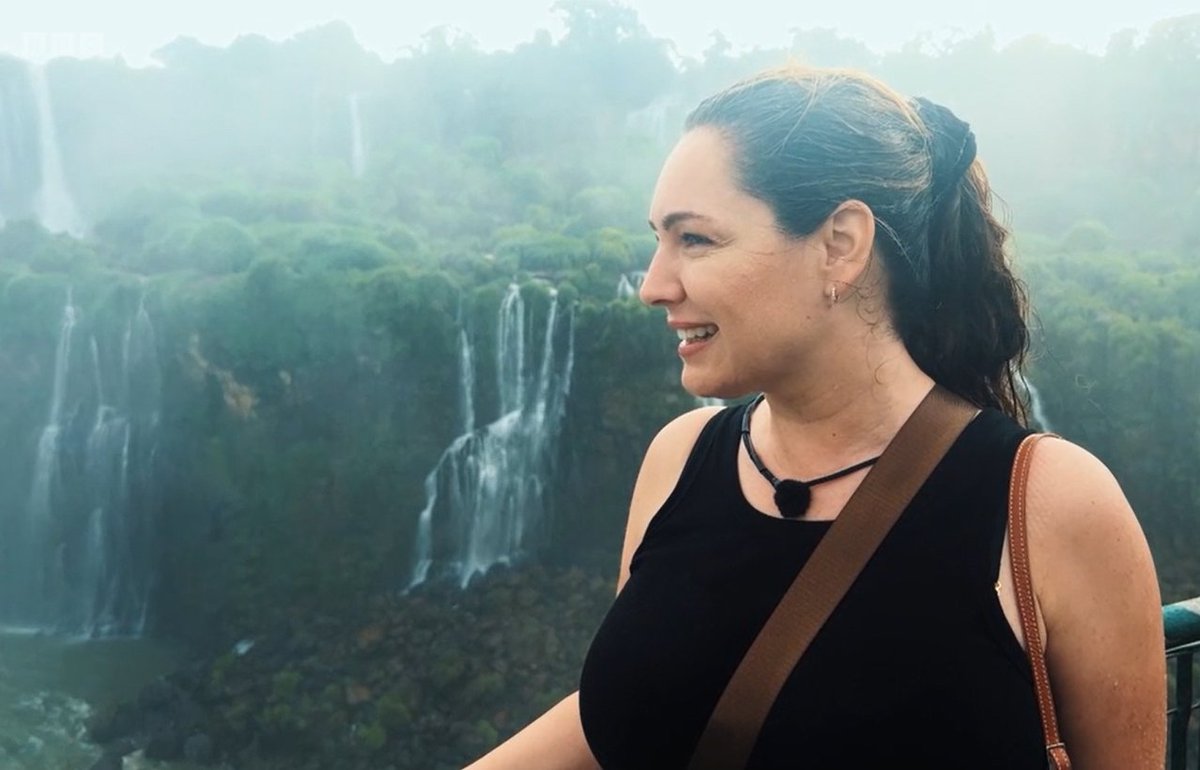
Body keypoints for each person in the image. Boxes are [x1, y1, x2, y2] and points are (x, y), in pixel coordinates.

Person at [466, 65, 1165, 769]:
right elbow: (644, 704)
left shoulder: (1049, 503)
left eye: (696, 240)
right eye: (658, 239)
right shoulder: (681, 457)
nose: (654, 285)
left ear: (840, 244)